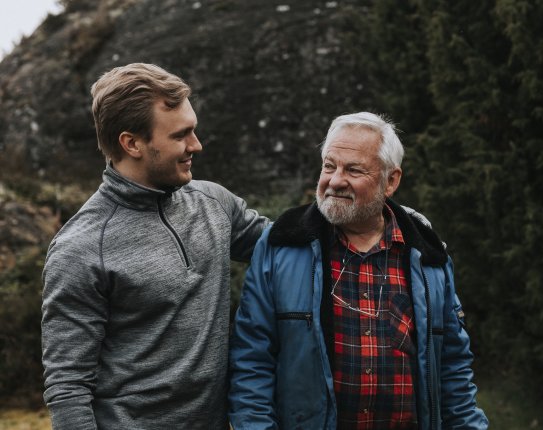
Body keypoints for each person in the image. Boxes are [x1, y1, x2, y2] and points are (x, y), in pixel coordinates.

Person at [41, 63, 271, 429]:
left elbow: (284, 242)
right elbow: (68, 388)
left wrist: (384, 215)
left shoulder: (214, 203)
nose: (196, 145)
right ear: (131, 143)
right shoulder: (81, 248)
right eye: (181, 135)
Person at [228, 112, 489, 429]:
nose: (335, 180)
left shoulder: (428, 255)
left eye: (353, 170)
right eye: (329, 166)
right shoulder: (282, 245)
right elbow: (252, 361)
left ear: (390, 181)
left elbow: (452, 368)